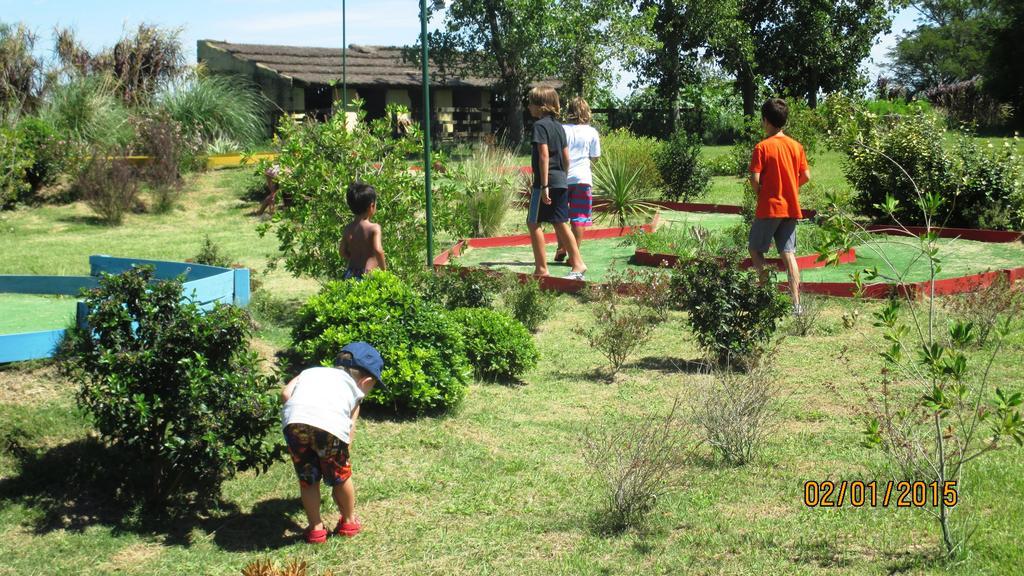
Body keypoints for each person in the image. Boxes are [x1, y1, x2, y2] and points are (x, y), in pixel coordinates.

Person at [281, 342, 385, 543]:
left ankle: (316, 530)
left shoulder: (311, 372)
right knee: (341, 476)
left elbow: (286, 394)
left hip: (295, 422)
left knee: (308, 479)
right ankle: (348, 522)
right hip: (329, 428)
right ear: (366, 381)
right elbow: (350, 428)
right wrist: (343, 453)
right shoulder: (355, 392)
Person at [748, 98, 810, 315]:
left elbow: (755, 179)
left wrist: (761, 193)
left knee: (755, 249)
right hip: (791, 207)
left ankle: (765, 296)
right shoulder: (796, 146)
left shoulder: (762, 147)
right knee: (788, 253)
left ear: (765, 120)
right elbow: (806, 176)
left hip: (770, 207)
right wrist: (791, 187)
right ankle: (796, 304)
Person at [526, 86, 587, 280]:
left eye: (531, 103)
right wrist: (562, 177)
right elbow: (566, 156)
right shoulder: (559, 127)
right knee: (561, 222)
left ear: (541, 106)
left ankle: (541, 270)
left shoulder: (539, 126)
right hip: (561, 179)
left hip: (546, 183)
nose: (528, 107)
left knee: (533, 222)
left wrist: (544, 186)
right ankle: (578, 264)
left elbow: (544, 155)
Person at [555, 97, 601, 263]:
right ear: (587, 112)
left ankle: (561, 247)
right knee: (579, 218)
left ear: (570, 112)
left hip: (563, 179)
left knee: (561, 217)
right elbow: (595, 157)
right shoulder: (592, 132)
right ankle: (574, 257)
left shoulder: (562, 129)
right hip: (583, 179)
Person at [340, 181, 386, 280]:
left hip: (350, 273)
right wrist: (384, 272)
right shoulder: (374, 228)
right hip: (368, 274)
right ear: (371, 206)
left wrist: (354, 258)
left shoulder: (348, 228)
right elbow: (378, 250)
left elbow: (342, 252)